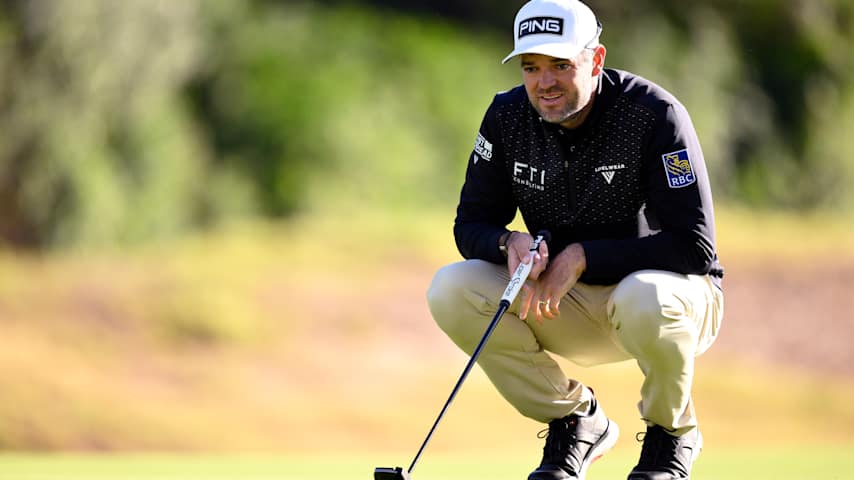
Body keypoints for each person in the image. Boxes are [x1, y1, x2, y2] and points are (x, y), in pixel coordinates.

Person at [425, 0, 725, 479]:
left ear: (596, 59)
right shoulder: (506, 118)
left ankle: (672, 434)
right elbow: (470, 225)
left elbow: (694, 247)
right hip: (566, 305)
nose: (545, 83)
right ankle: (576, 421)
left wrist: (584, 257)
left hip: (673, 300)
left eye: (561, 65)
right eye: (531, 67)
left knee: (642, 296)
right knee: (450, 288)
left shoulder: (652, 114)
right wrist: (508, 244)